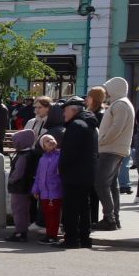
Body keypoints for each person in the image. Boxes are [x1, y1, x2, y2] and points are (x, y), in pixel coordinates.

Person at [58, 95, 99, 248]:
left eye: (66, 111)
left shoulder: (75, 125)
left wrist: (61, 169)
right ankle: (84, 238)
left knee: (71, 208)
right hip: (87, 173)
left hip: (74, 174)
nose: (64, 114)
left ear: (74, 110)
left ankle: (71, 239)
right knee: (84, 206)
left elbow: (69, 153)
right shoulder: (89, 124)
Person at [96, 77, 135, 231]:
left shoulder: (120, 104)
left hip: (111, 149)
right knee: (112, 185)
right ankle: (113, 218)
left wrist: (102, 141)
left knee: (101, 183)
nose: (105, 91)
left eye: (107, 88)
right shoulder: (121, 103)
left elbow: (116, 127)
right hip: (115, 148)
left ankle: (110, 219)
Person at [33, 132, 65, 246]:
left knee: (54, 215)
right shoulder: (42, 159)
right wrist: (35, 189)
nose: (50, 141)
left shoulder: (60, 156)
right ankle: (49, 234)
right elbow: (38, 176)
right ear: (43, 146)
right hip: (44, 193)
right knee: (47, 215)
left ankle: (53, 236)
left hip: (55, 191)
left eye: (52, 139)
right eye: (47, 141)